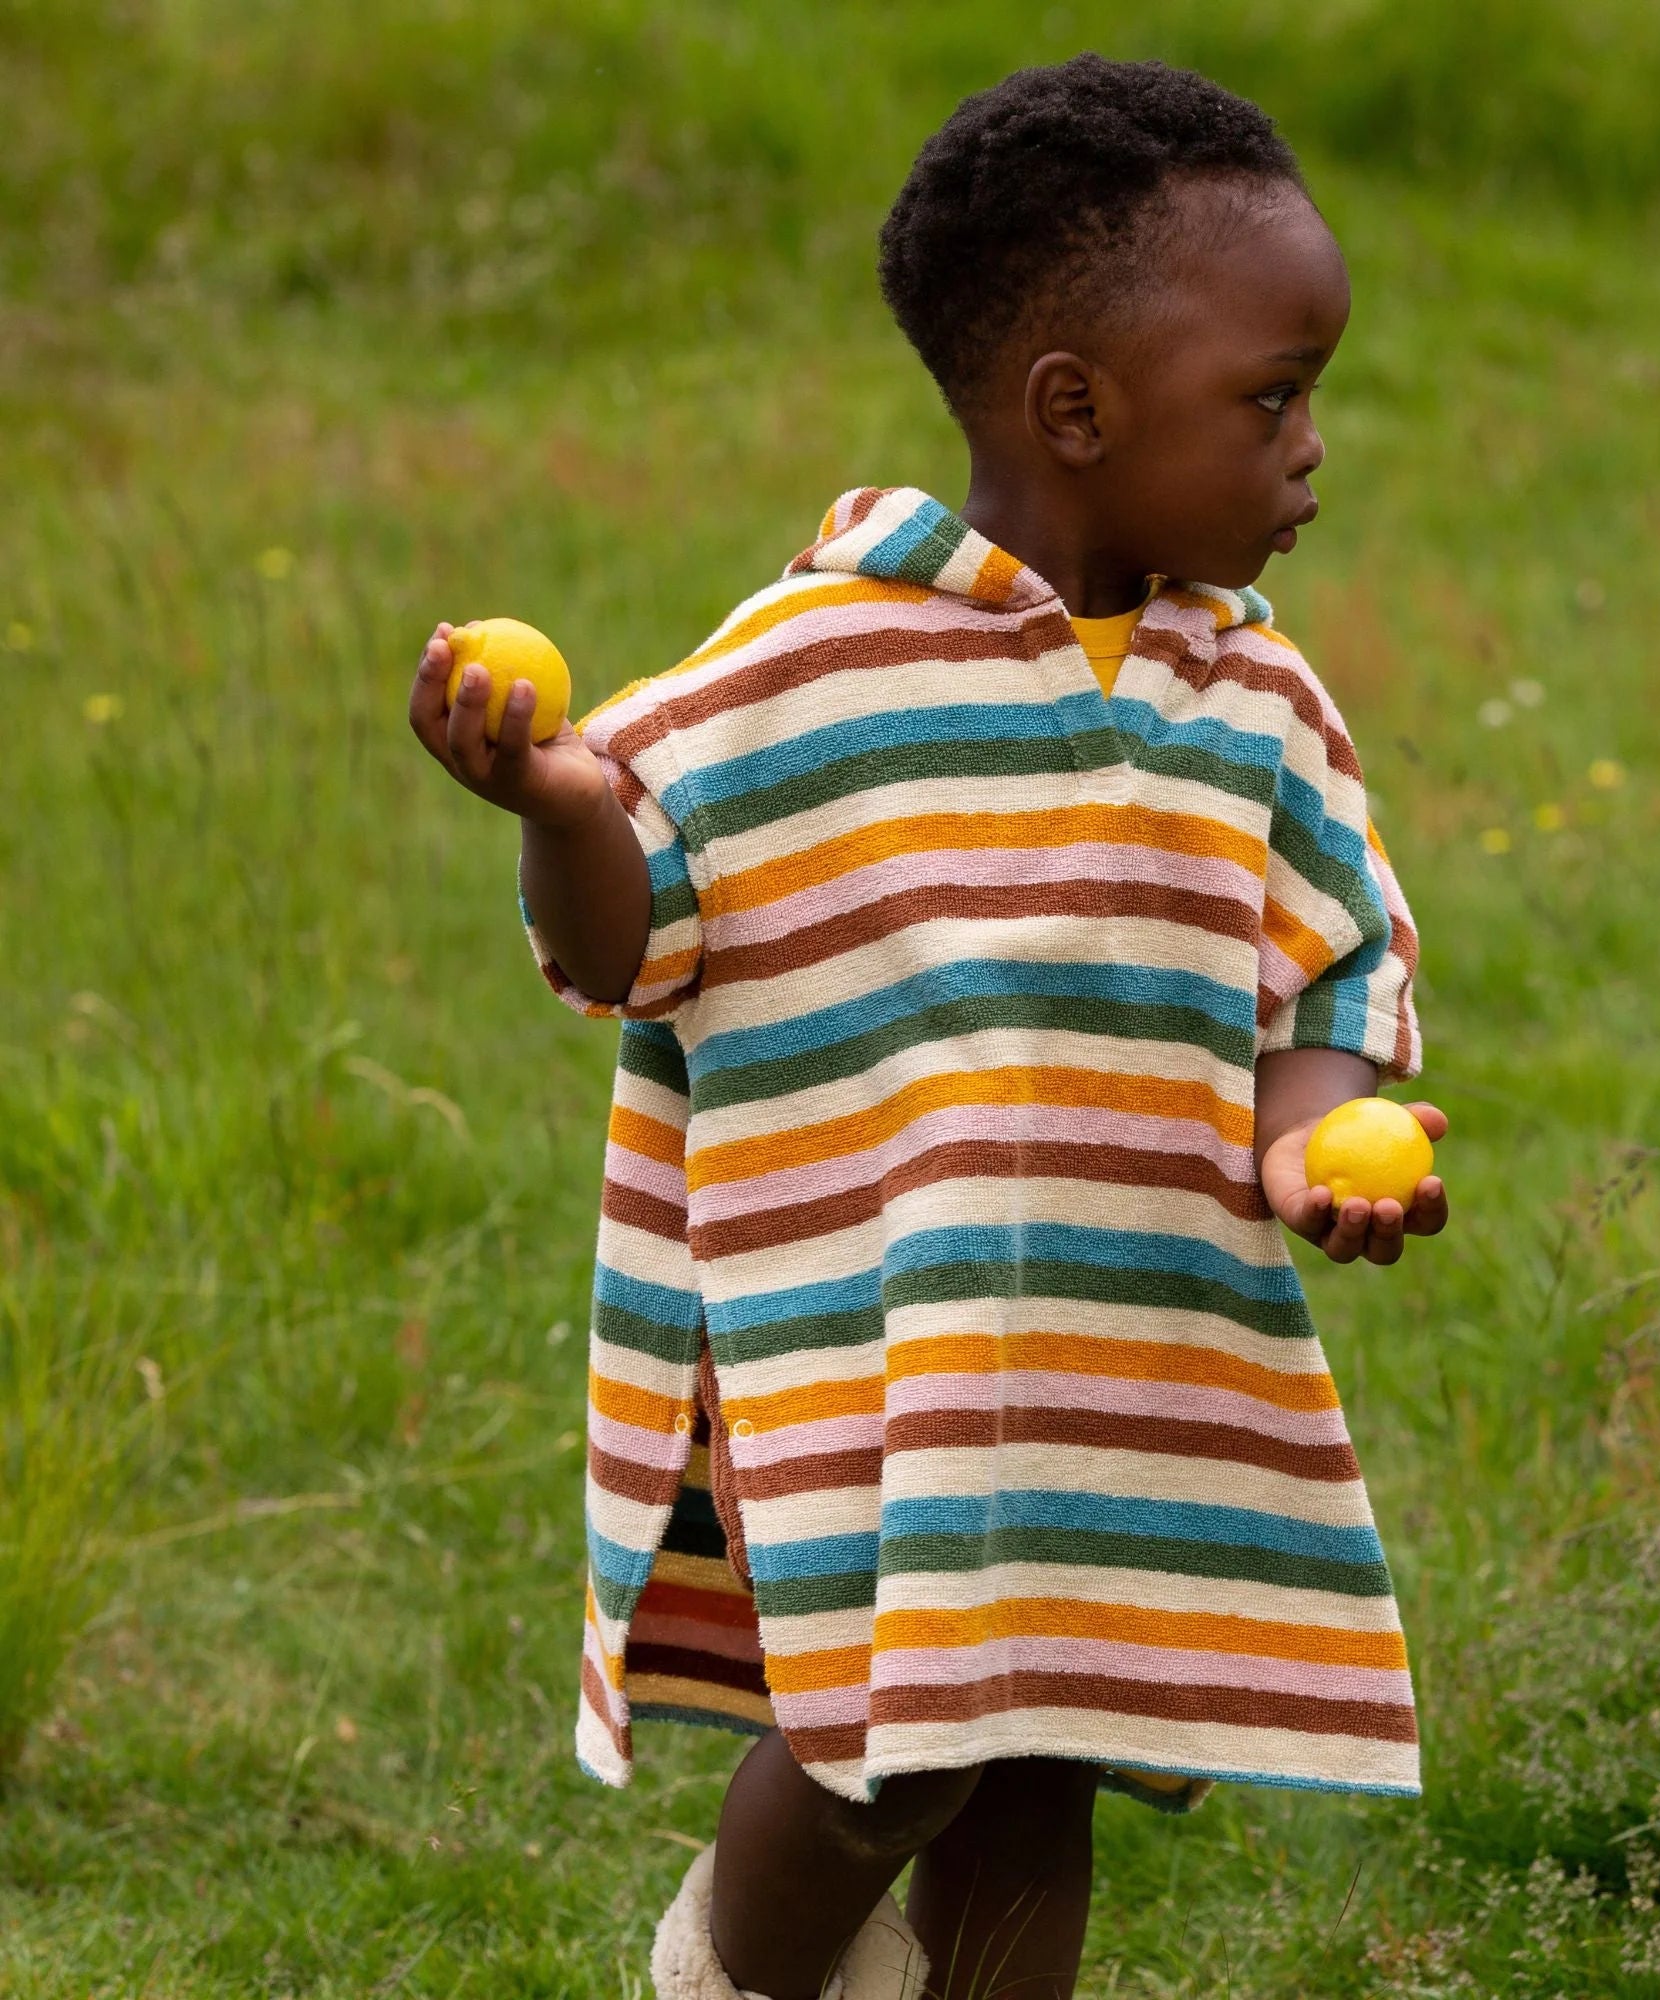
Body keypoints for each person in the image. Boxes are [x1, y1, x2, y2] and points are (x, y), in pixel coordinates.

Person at [409, 52, 1448, 2000]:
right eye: (1274, 397)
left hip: (1119, 1355)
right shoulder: (813, 662)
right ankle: (732, 1974)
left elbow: (1329, 965)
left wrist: (1313, 1139)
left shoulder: (1260, 702)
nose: (1312, 449)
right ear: (1078, 408)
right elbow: (636, 934)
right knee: (888, 1752)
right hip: (886, 1344)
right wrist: (560, 813)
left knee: (1044, 1747)